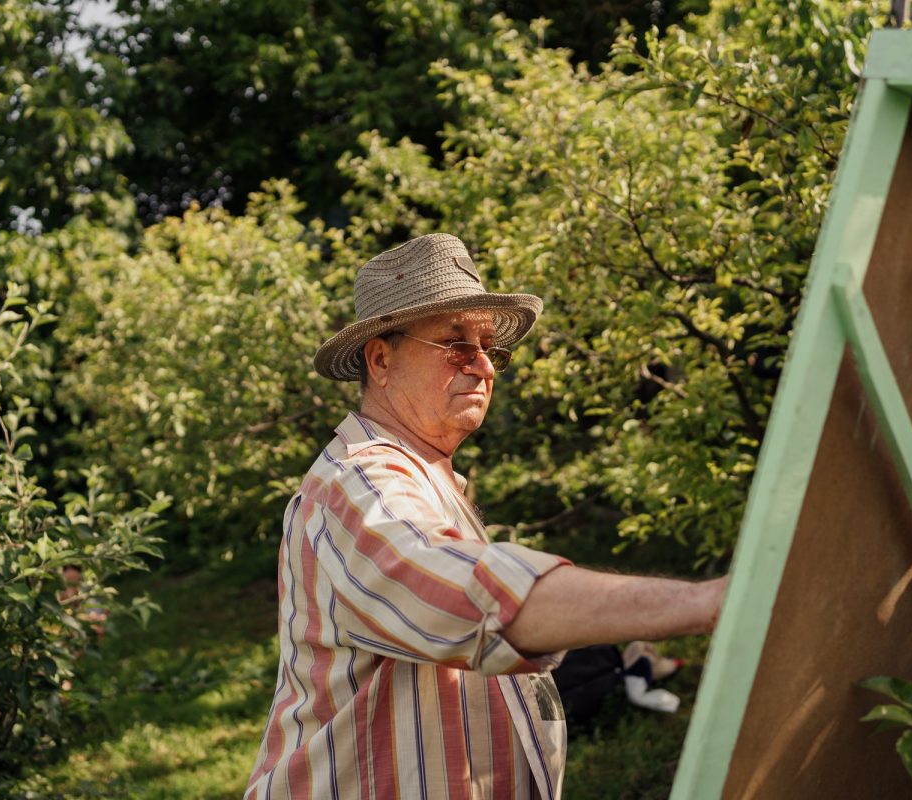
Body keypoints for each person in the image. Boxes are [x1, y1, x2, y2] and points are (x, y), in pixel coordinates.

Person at [246, 233, 727, 799]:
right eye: (454, 343)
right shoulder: (358, 484)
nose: (482, 365)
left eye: (489, 347)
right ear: (381, 359)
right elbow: (468, 594)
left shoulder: (424, 481)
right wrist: (710, 604)